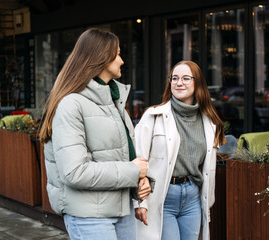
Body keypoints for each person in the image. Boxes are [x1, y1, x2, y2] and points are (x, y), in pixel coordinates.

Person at [38, 28, 151, 240]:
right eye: (117, 54)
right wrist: (132, 171)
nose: (122, 61)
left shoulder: (113, 100)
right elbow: (74, 172)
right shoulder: (71, 104)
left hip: (121, 210)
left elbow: (119, 156)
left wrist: (140, 181)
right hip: (90, 216)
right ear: (101, 57)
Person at [134, 60, 225, 240]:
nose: (179, 83)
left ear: (197, 83)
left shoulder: (209, 121)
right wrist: (140, 202)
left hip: (192, 197)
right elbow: (137, 159)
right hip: (163, 196)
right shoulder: (153, 116)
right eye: (174, 78)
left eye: (186, 78)